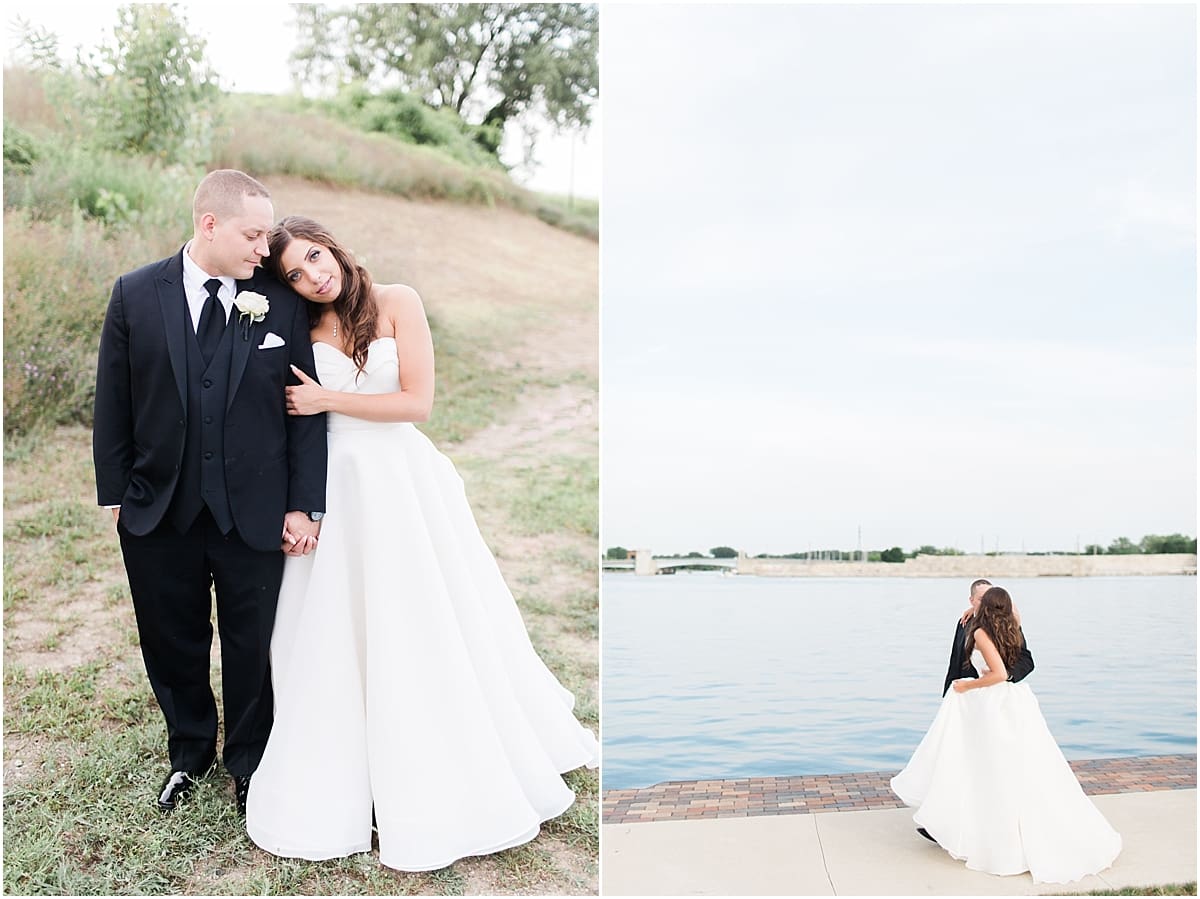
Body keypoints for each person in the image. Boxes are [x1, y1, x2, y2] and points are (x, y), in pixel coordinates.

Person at [245, 216, 599, 872]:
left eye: (316, 258)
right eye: (295, 273)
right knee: (332, 626)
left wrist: (327, 397)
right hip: (339, 485)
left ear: (335, 245)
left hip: (400, 481)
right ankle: (342, 762)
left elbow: (418, 402)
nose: (314, 276)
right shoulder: (301, 324)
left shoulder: (398, 301)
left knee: (421, 616)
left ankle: (439, 752)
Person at [93, 170, 328, 814]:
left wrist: (303, 503)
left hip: (255, 509)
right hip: (159, 507)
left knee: (253, 643)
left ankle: (250, 760)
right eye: (254, 235)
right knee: (172, 639)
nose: (264, 248)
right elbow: (113, 401)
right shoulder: (136, 294)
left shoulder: (280, 302)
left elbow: (305, 410)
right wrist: (116, 492)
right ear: (210, 225)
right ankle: (189, 754)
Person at [891, 587, 1121, 884]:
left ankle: (987, 832)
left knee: (987, 766)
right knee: (1013, 766)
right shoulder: (1011, 623)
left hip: (991, 702)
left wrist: (966, 687)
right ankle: (964, 821)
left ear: (982, 606)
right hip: (1016, 703)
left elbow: (1000, 673)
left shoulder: (980, 633)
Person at [943, 577, 1035, 696]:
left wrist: (1007, 675)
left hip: (998, 692)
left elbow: (1025, 660)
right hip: (966, 694)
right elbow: (956, 660)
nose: (989, 604)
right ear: (972, 600)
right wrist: (949, 692)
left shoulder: (1009, 626)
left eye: (990, 599)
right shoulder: (964, 622)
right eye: (982, 599)